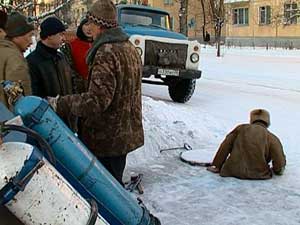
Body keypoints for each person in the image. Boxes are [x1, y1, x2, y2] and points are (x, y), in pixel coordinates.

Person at [48, 0, 144, 185]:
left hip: (106, 137)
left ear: (99, 25)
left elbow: (97, 101)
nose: (87, 27)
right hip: (123, 133)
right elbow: (120, 87)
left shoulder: (106, 51)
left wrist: (61, 103)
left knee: (105, 192)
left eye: (90, 22)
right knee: (114, 186)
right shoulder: (129, 47)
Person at [207, 109, 286, 179]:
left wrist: (217, 165)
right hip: (259, 174)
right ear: (267, 122)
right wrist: (278, 170)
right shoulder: (271, 137)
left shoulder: (240, 129)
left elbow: (224, 147)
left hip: (232, 171)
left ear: (252, 119)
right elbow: (279, 159)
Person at [26, 16, 72, 98]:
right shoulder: (32, 62)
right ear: (49, 35)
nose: (64, 39)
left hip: (67, 109)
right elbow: (34, 95)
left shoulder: (61, 57)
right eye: (61, 34)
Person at [0, 11, 33, 107]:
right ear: (17, 35)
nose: (31, 41)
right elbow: (21, 104)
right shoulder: (14, 58)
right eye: (29, 35)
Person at [60, 18, 92, 94]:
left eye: (92, 25)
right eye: (86, 25)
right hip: (79, 89)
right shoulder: (71, 45)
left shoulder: (101, 44)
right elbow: (69, 68)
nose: (89, 28)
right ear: (81, 27)